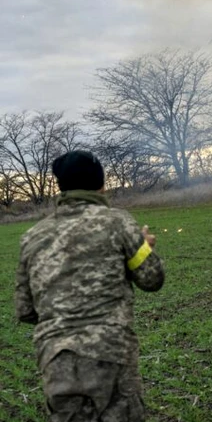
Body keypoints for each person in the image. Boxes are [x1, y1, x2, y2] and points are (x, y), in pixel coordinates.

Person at [14, 150, 165, 422]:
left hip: (56, 359)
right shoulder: (117, 222)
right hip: (110, 352)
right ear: (101, 185)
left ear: (61, 187)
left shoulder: (32, 237)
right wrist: (144, 248)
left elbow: (25, 310)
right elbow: (152, 279)